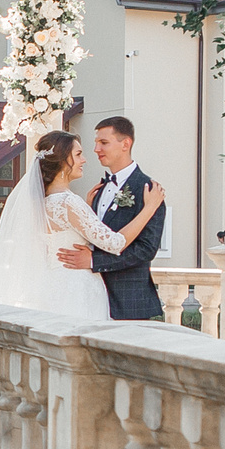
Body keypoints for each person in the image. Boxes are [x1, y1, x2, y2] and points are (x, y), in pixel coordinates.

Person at [0, 128, 165, 319]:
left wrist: (87, 210)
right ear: (62, 160)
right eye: (78, 154)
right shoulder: (69, 202)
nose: (84, 160)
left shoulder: (41, 202)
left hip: (51, 286)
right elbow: (115, 243)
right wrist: (149, 208)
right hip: (76, 288)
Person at [54, 116, 170, 320]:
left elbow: (146, 250)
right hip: (90, 296)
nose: (96, 149)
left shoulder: (149, 191)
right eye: (96, 143)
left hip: (128, 303)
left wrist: (94, 261)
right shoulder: (99, 190)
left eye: (104, 142)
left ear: (126, 144)